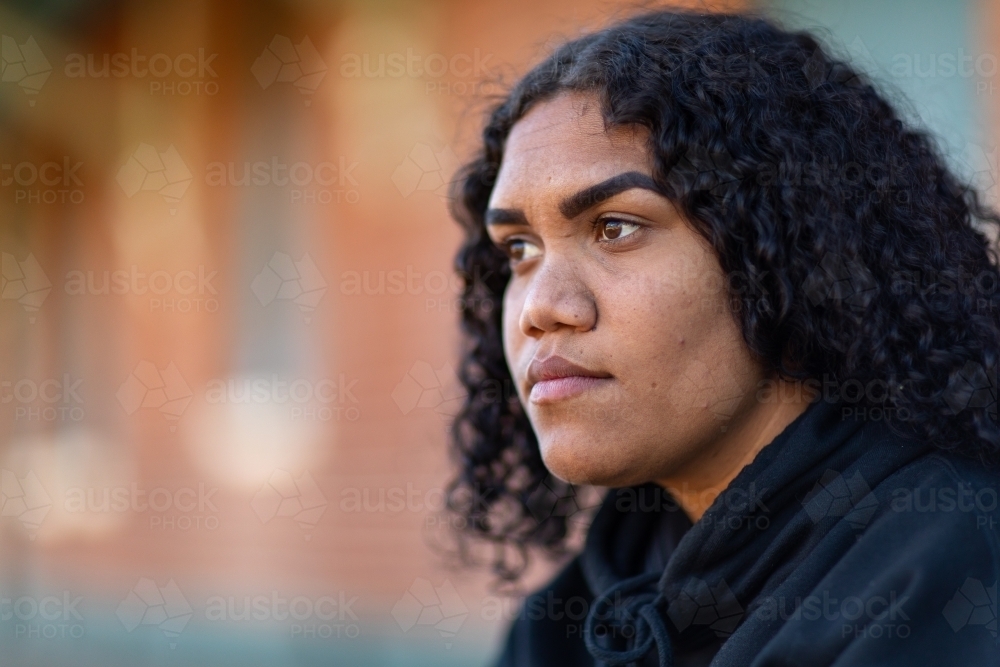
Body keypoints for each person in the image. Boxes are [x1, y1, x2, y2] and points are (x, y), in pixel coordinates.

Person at [447, 9, 1000, 666]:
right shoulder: (559, 626)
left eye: (615, 227)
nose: (539, 307)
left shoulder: (952, 563)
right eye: (519, 247)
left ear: (789, 251)